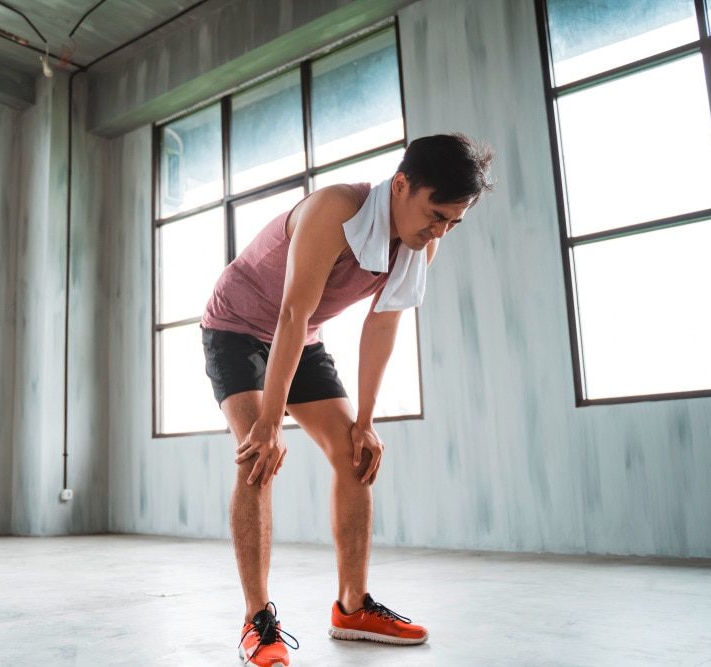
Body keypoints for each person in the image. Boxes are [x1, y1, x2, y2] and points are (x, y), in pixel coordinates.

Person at [200, 133, 495, 666]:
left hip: (302, 336)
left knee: (356, 456)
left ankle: (352, 608)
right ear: (401, 185)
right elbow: (291, 311)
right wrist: (269, 419)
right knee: (256, 458)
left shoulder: (424, 239)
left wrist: (365, 421)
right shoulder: (336, 209)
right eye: (435, 214)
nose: (440, 231)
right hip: (239, 326)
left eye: (453, 221)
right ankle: (256, 620)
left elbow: (381, 326)